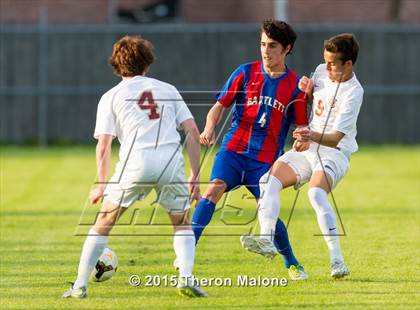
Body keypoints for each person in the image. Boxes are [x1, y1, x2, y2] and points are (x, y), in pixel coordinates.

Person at [63, 35, 207, 298]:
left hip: (135, 164)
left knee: (104, 222)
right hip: (169, 162)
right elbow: (193, 131)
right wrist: (195, 175)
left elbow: (104, 145)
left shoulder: (111, 97)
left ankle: (79, 286)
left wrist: (102, 184)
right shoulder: (168, 89)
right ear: (147, 64)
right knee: (182, 222)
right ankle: (185, 277)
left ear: (116, 66)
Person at [191, 19, 309, 280]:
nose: (266, 51)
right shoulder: (245, 72)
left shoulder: (294, 86)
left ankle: (291, 262)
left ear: (287, 48)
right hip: (233, 151)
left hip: (265, 161)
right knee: (213, 189)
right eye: (263, 44)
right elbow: (219, 106)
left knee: (266, 209)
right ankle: (187, 251)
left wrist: (302, 139)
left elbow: (301, 126)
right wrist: (209, 128)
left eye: (273, 46)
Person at [241, 33, 363, 279]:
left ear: (348, 64)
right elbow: (309, 104)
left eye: (332, 64)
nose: (326, 67)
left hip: (333, 154)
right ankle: (266, 239)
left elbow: (335, 137)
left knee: (316, 194)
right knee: (268, 181)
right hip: (308, 148)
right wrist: (305, 92)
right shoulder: (320, 70)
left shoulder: (354, 92)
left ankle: (337, 262)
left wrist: (307, 135)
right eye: (325, 61)